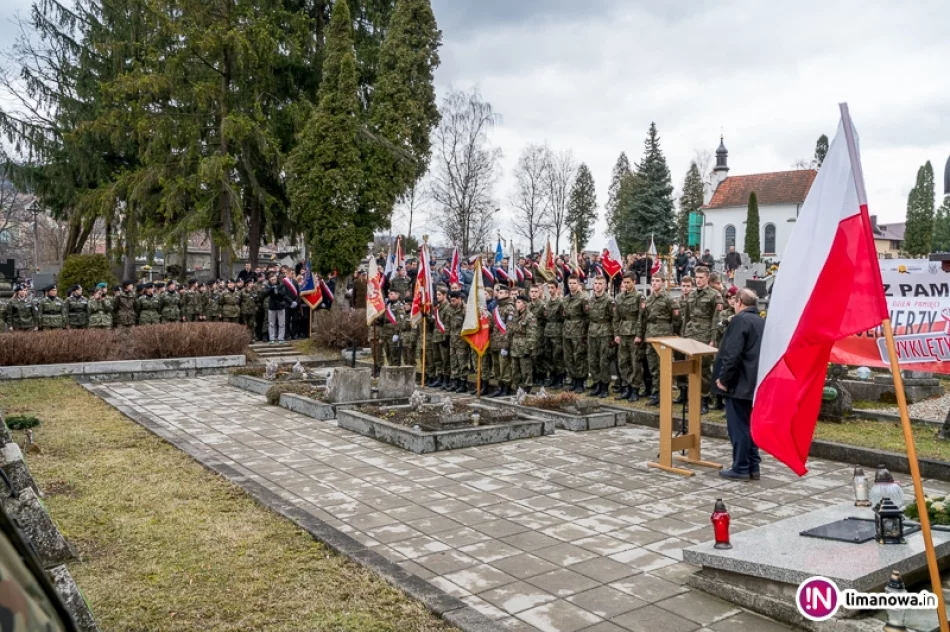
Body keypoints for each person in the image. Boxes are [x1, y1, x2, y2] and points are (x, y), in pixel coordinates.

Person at [715, 288, 765, 480]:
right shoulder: (760, 320)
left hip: (739, 382)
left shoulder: (740, 320)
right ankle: (753, 466)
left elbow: (732, 354)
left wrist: (724, 380)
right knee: (749, 426)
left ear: (739, 302)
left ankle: (741, 467)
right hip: (754, 382)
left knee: (738, 427)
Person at [682, 266, 724, 414]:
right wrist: (683, 336)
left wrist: (713, 339)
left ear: (707, 278)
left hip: (705, 335)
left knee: (704, 369)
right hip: (691, 333)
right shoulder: (692, 295)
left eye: (701, 277)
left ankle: (704, 399)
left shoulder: (715, 295)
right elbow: (686, 316)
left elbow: (716, 318)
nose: (698, 280)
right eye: (696, 277)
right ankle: (692, 399)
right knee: (690, 367)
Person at [641, 276, 680, 406]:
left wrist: (673, 333)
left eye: (657, 281)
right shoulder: (649, 299)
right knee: (653, 367)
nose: (654, 283)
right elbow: (645, 317)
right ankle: (656, 393)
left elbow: (676, 319)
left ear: (663, 283)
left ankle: (666, 394)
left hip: (663, 335)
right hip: (651, 334)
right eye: (653, 281)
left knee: (664, 366)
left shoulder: (668, 299)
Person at [613, 272, 643, 401]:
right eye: (624, 282)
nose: (626, 285)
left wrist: (639, 334)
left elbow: (641, 317)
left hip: (633, 333)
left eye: (628, 282)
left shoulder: (638, 296)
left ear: (634, 282)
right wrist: (616, 334)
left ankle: (635, 389)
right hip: (623, 332)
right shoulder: (619, 297)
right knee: (623, 361)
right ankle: (626, 387)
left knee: (635, 362)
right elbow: (616, 318)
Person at [585, 275, 614, 397]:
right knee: (593, 360)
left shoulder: (609, 300)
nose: (597, 286)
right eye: (595, 283)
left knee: (604, 361)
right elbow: (588, 317)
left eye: (600, 283)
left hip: (605, 333)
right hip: (592, 332)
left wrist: (613, 336)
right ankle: (597, 383)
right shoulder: (590, 300)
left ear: (605, 285)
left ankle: (604, 386)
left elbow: (614, 318)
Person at [561, 276, 588, 393]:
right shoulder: (565, 299)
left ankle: (581, 382)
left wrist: (583, 331)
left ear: (578, 284)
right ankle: (573, 379)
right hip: (567, 330)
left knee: (579, 356)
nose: (571, 285)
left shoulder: (583, 298)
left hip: (579, 330)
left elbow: (587, 316)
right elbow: (563, 314)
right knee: (568, 357)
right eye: (570, 283)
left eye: (574, 283)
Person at [487, 285, 515, 397]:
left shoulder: (510, 308)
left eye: (502, 292)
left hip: (504, 343)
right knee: (497, 367)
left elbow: (509, 328)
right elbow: (493, 325)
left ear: (508, 294)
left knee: (505, 367)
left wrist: (506, 345)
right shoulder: (496, 308)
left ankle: (506, 387)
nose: (499, 294)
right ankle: (499, 386)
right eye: (498, 292)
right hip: (494, 342)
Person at [508, 294, 540, 394]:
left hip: (524, 347)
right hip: (515, 346)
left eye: (518, 302)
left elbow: (532, 335)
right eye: (516, 302)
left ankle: (527, 389)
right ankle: (517, 388)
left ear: (525, 304)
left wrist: (528, 349)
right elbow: (511, 330)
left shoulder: (530, 317)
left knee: (526, 370)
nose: (516, 304)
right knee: (515, 370)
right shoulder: (515, 315)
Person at [542, 279, 565, 388]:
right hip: (548, 331)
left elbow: (563, 318)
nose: (550, 290)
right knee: (549, 355)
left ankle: (560, 378)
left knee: (557, 356)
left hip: (557, 331)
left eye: (552, 288)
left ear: (557, 289)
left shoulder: (561, 302)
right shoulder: (547, 302)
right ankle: (552, 376)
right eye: (549, 288)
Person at [378, 288, 406, 366]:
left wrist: (397, 333)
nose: (389, 295)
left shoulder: (399, 306)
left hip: (393, 333)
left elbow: (400, 321)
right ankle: (391, 369)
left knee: (394, 354)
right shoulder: (388, 305)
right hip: (385, 332)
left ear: (397, 295)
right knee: (388, 353)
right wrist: (381, 336)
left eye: (391, 294)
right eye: (389, 294)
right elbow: (383, 321)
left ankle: (396, 370)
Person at [265, 273, 291, 343]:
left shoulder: (281, 284)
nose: (274, 280)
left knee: (282, 323)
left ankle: (281, 338)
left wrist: (278, 291)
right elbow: (265, 293)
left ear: (276, 278)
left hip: (280, 306)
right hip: (272, 306)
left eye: (274, 279)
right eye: (272, 280)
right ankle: (272, 338)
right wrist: (271, 288)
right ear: (270, 280)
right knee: (271, 323)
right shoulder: (268, 285)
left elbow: (284, 294)